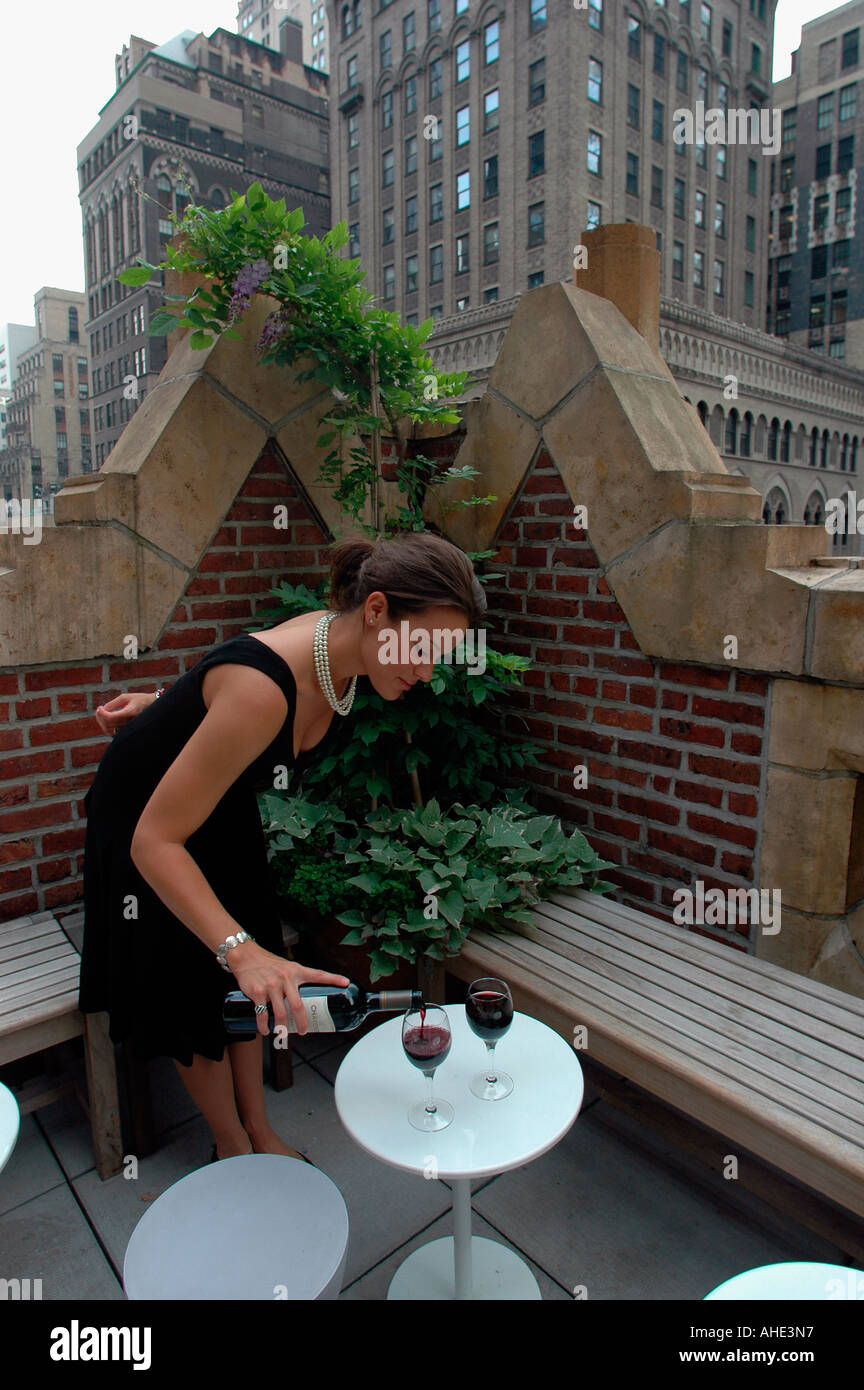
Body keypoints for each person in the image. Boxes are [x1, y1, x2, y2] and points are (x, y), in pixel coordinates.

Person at [79, 532, 487, 1162]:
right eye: (425, 649)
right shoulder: (264, 689)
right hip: (151, 823)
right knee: (198, 979)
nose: (428, 673)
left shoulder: (336, 643)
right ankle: (231, 1143)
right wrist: (238, 952)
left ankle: (261, 1130)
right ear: (376, 610)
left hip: (221, 808)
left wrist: (163, 705)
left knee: (259, 974)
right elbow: (155, 838)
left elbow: (214, 692)